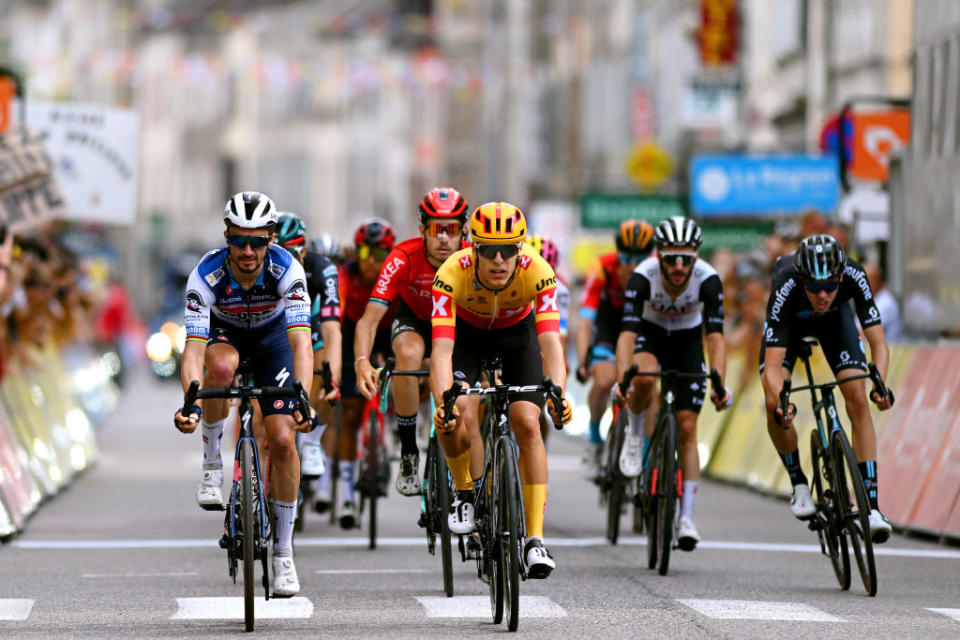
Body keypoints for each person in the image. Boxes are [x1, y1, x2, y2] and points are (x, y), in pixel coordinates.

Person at [174, 191, 315, 597]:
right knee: (218, 368)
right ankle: (213, 462)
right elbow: (193, 352)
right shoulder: (207, 274)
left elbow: (302, 344)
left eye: (257, 241)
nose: (248, 250)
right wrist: (190, 405)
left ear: (271, 238)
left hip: (273, 341)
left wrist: (302, 396)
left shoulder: (287, 270)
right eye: (239, 240)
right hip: (226, 335)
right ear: (226, 237)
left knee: (284, 438)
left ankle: (285, 553)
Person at [430, 202, 572, 579]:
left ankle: (535, 540)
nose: (498, 259)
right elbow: (442, 351)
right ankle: (464, 492)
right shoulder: (450, 274)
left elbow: (551, 344)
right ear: (471, 248)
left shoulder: (539, 273)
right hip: (468, 338)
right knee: (457, 411)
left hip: (517, 337)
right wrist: (444, 399)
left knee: (527, 421)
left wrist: (558, 391)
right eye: (488, 250)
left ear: (520, 250)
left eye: (508, 250)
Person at [760, 234, 893, 543]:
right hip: (790, 326)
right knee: (772, 403)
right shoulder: (786, 280)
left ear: (841, 278)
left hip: (835, 325)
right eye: (815, 288)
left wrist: (880, 385)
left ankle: (871, 508)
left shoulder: (855, 274)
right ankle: (800, 484)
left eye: (830, 287)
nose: (822, 295)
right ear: (802, 280)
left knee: (858, 398)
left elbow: (878, 344)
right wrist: (783, 401)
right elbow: (772, 363)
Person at [615, 216, 732, 551]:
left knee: (688, 427)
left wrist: (719, 383)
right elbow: (627, 335)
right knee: (645, 380)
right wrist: (624, 378)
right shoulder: (643, 277)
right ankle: (636, 435)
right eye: (671, 259)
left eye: (686, 259)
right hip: (651, 336)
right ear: (659, 256)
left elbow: (716, 339)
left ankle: (686, 518)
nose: (679, 266)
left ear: (696, 257)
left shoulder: (708, 280)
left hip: (686, 340)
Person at [354, 188, 469, 497]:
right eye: (436, 229)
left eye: (452, 230)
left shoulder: (474, 258)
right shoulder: (402, 257)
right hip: (416, 320)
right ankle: (408, 451)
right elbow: (368, 320)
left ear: (464, 232)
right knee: (407, 355)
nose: (444, 238)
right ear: (422, 231)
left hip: (459, 326)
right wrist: (362, 362)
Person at [314, 218, 396, 527]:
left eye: (380, 254)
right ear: (355, 253)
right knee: (348, 415)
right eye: (364, 254)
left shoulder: (395, 272)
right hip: (351, 333)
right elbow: (336, 312)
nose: (372, 262)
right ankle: (346, 493)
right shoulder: (344, 275)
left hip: (388, 330)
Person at [575, 219, 655, 477]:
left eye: (639, 258)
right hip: (609, 325)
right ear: (617, 253)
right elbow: (586, 321)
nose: (631, 265)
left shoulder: (656, 270)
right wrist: (583, 360)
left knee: (649, 384)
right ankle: (595, 440)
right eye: (625, 256)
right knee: (604, 381)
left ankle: (644, 448)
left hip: (642, 326)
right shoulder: (602, 267)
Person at [274, 212, 342, 478]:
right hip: (267, 329)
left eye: (289, 254)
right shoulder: (256, 265)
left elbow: (332, 329)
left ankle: (313, 441)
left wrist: (332, 378)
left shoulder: (322, 268)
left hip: (307, 327)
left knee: (327, 373)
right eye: (274, 253)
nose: (281, 262)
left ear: (303, 253)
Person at [527, 234, 570, 447]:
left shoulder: (559, 290)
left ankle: (538, 448)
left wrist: (558, 376)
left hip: (542, 342)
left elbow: (559, 337)